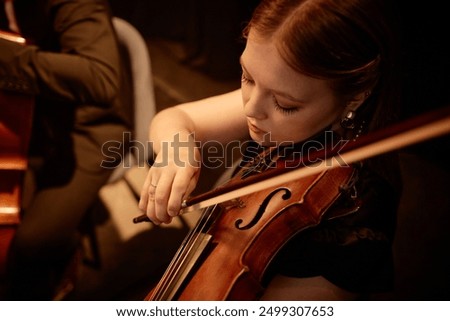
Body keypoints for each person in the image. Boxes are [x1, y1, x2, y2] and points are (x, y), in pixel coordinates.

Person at [138, 0, 402, 300]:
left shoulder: (357, 211)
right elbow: (175, 118)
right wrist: (178, 152)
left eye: (285, 104)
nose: (250, 108)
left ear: (354, 98)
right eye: (248, 77)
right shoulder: (270, 99)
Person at [0, 0, 130, 299]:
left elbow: (101, 79)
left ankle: (67, 252)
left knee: (32, 243)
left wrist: (6, 58)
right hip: (30, 125)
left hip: (91, 132)